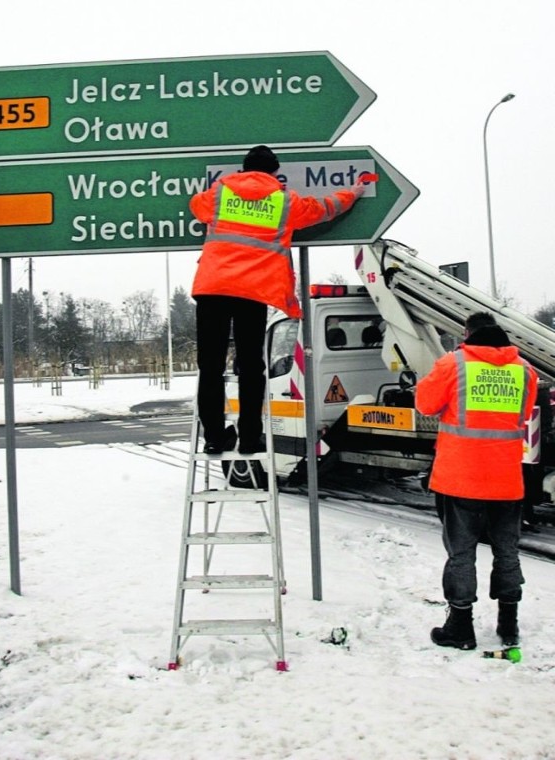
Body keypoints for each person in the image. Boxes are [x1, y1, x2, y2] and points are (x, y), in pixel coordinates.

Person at [190, 145, 371, 454]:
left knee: (210, 368)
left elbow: (197, 206)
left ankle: (213, 438)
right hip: (253, 291)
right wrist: (353, 192)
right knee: (250, 368)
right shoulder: (284, 202)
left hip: (213, 288)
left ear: (244, 169)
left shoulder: (221, 193)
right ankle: (248, 438)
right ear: (274, 172)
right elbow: (325, 208)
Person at [415, 311, 538, 650]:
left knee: (462, 553)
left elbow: (425, 404)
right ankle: (508, 624)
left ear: (467, 333)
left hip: (460, 478)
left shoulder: (453, 364)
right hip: (507, 478)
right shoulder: (524, 371)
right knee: (507, 550)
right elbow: (524, 415)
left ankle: (460, 627)